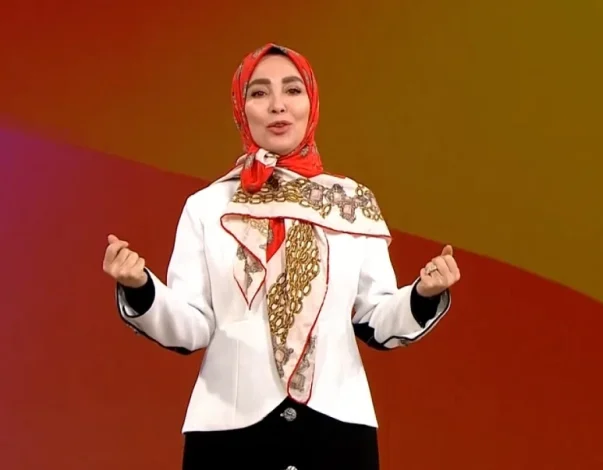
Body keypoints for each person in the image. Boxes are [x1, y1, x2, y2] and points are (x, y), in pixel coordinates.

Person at [102, 43, 460, 470]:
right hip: (229, 433)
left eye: (292, 90)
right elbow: (192, 326)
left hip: (337, 433)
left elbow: (375, 320)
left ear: (312, 103)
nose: (277, 105)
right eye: (259, 92)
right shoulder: (208, 206)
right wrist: (141, 287)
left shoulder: (351, 203)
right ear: (241, 108)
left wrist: (422, 294)